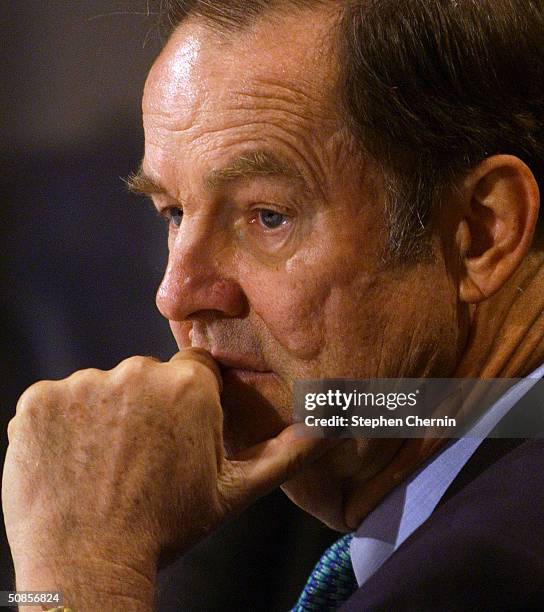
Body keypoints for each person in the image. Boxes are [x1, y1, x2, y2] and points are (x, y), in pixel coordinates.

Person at [3, 0, 544, 610]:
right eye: (175, 213)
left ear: (480, 232)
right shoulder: (369, 456)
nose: (175, 293)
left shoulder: (490, 570)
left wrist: (85, 572)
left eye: (268, 217)